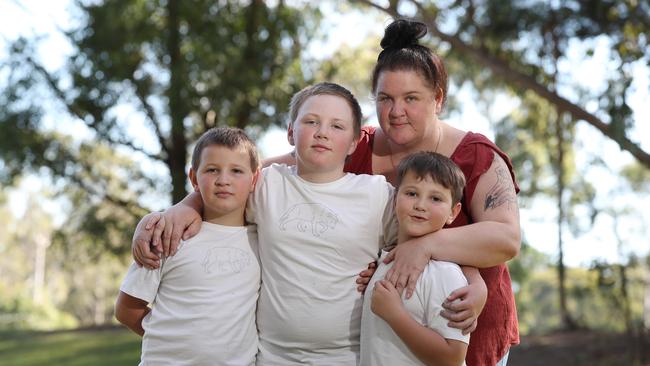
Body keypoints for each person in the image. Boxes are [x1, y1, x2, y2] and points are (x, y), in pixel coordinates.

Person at [135, 82, 400, 364]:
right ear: (290, 132)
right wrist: (176, 210)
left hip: (350, 355)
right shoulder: (267, 185)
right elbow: (220, 188)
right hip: (274, 356)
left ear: (354, 142)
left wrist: (383, 268)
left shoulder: (377, 194)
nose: (322, 132)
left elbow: (417, 238)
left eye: (337, 126)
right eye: (311, 121)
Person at [114, 127, 261, 365]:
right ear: (194, 178)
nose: (224, 180)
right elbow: (127, 309)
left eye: (236, 171)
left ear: (254, 179)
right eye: (212, 170)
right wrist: (172, 340)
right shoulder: (169, 235)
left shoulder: (263, 239)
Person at [360, 151, 469, 366]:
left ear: (453, 212)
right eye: (411, 194)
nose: (420, 205)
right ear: (395, 199)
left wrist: (395, 315)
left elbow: (453, 356)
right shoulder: (384, 262)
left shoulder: (445, 273)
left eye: (435, 198)